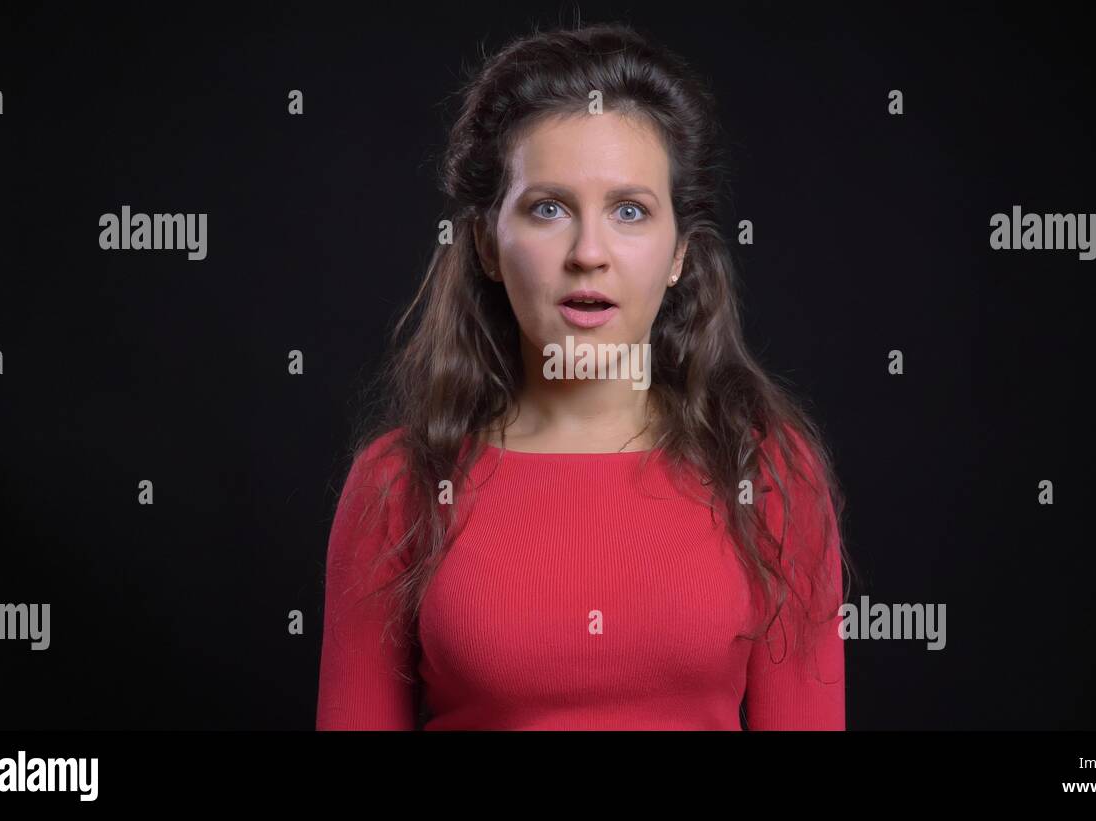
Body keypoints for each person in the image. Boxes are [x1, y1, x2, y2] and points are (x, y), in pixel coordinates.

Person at [316, 22, 852, 730]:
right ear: (484, 242)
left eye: (629, 211)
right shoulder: (398, 484)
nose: (588, 252)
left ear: (678, 255)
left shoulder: (770, 470)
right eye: (549, 208)